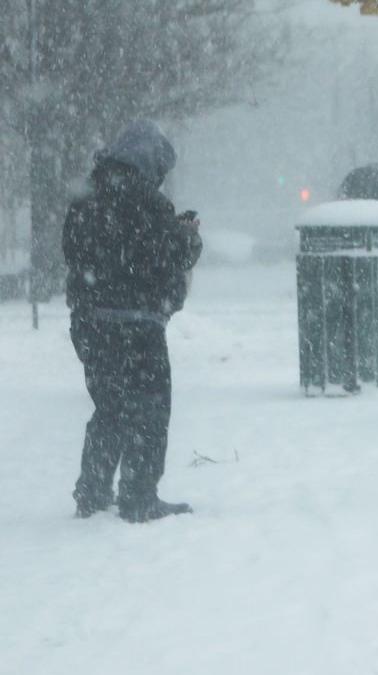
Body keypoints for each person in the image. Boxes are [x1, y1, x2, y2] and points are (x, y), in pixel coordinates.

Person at [62, 119, 203, 523]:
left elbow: (73, 252)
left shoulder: (86, 199)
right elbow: (171, 255)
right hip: (138, 325)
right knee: (149, 410)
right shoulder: (149, 203)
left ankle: (92, 491)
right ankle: (140, 495)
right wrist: (188, 235)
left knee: (109, 407)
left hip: (91, 323)